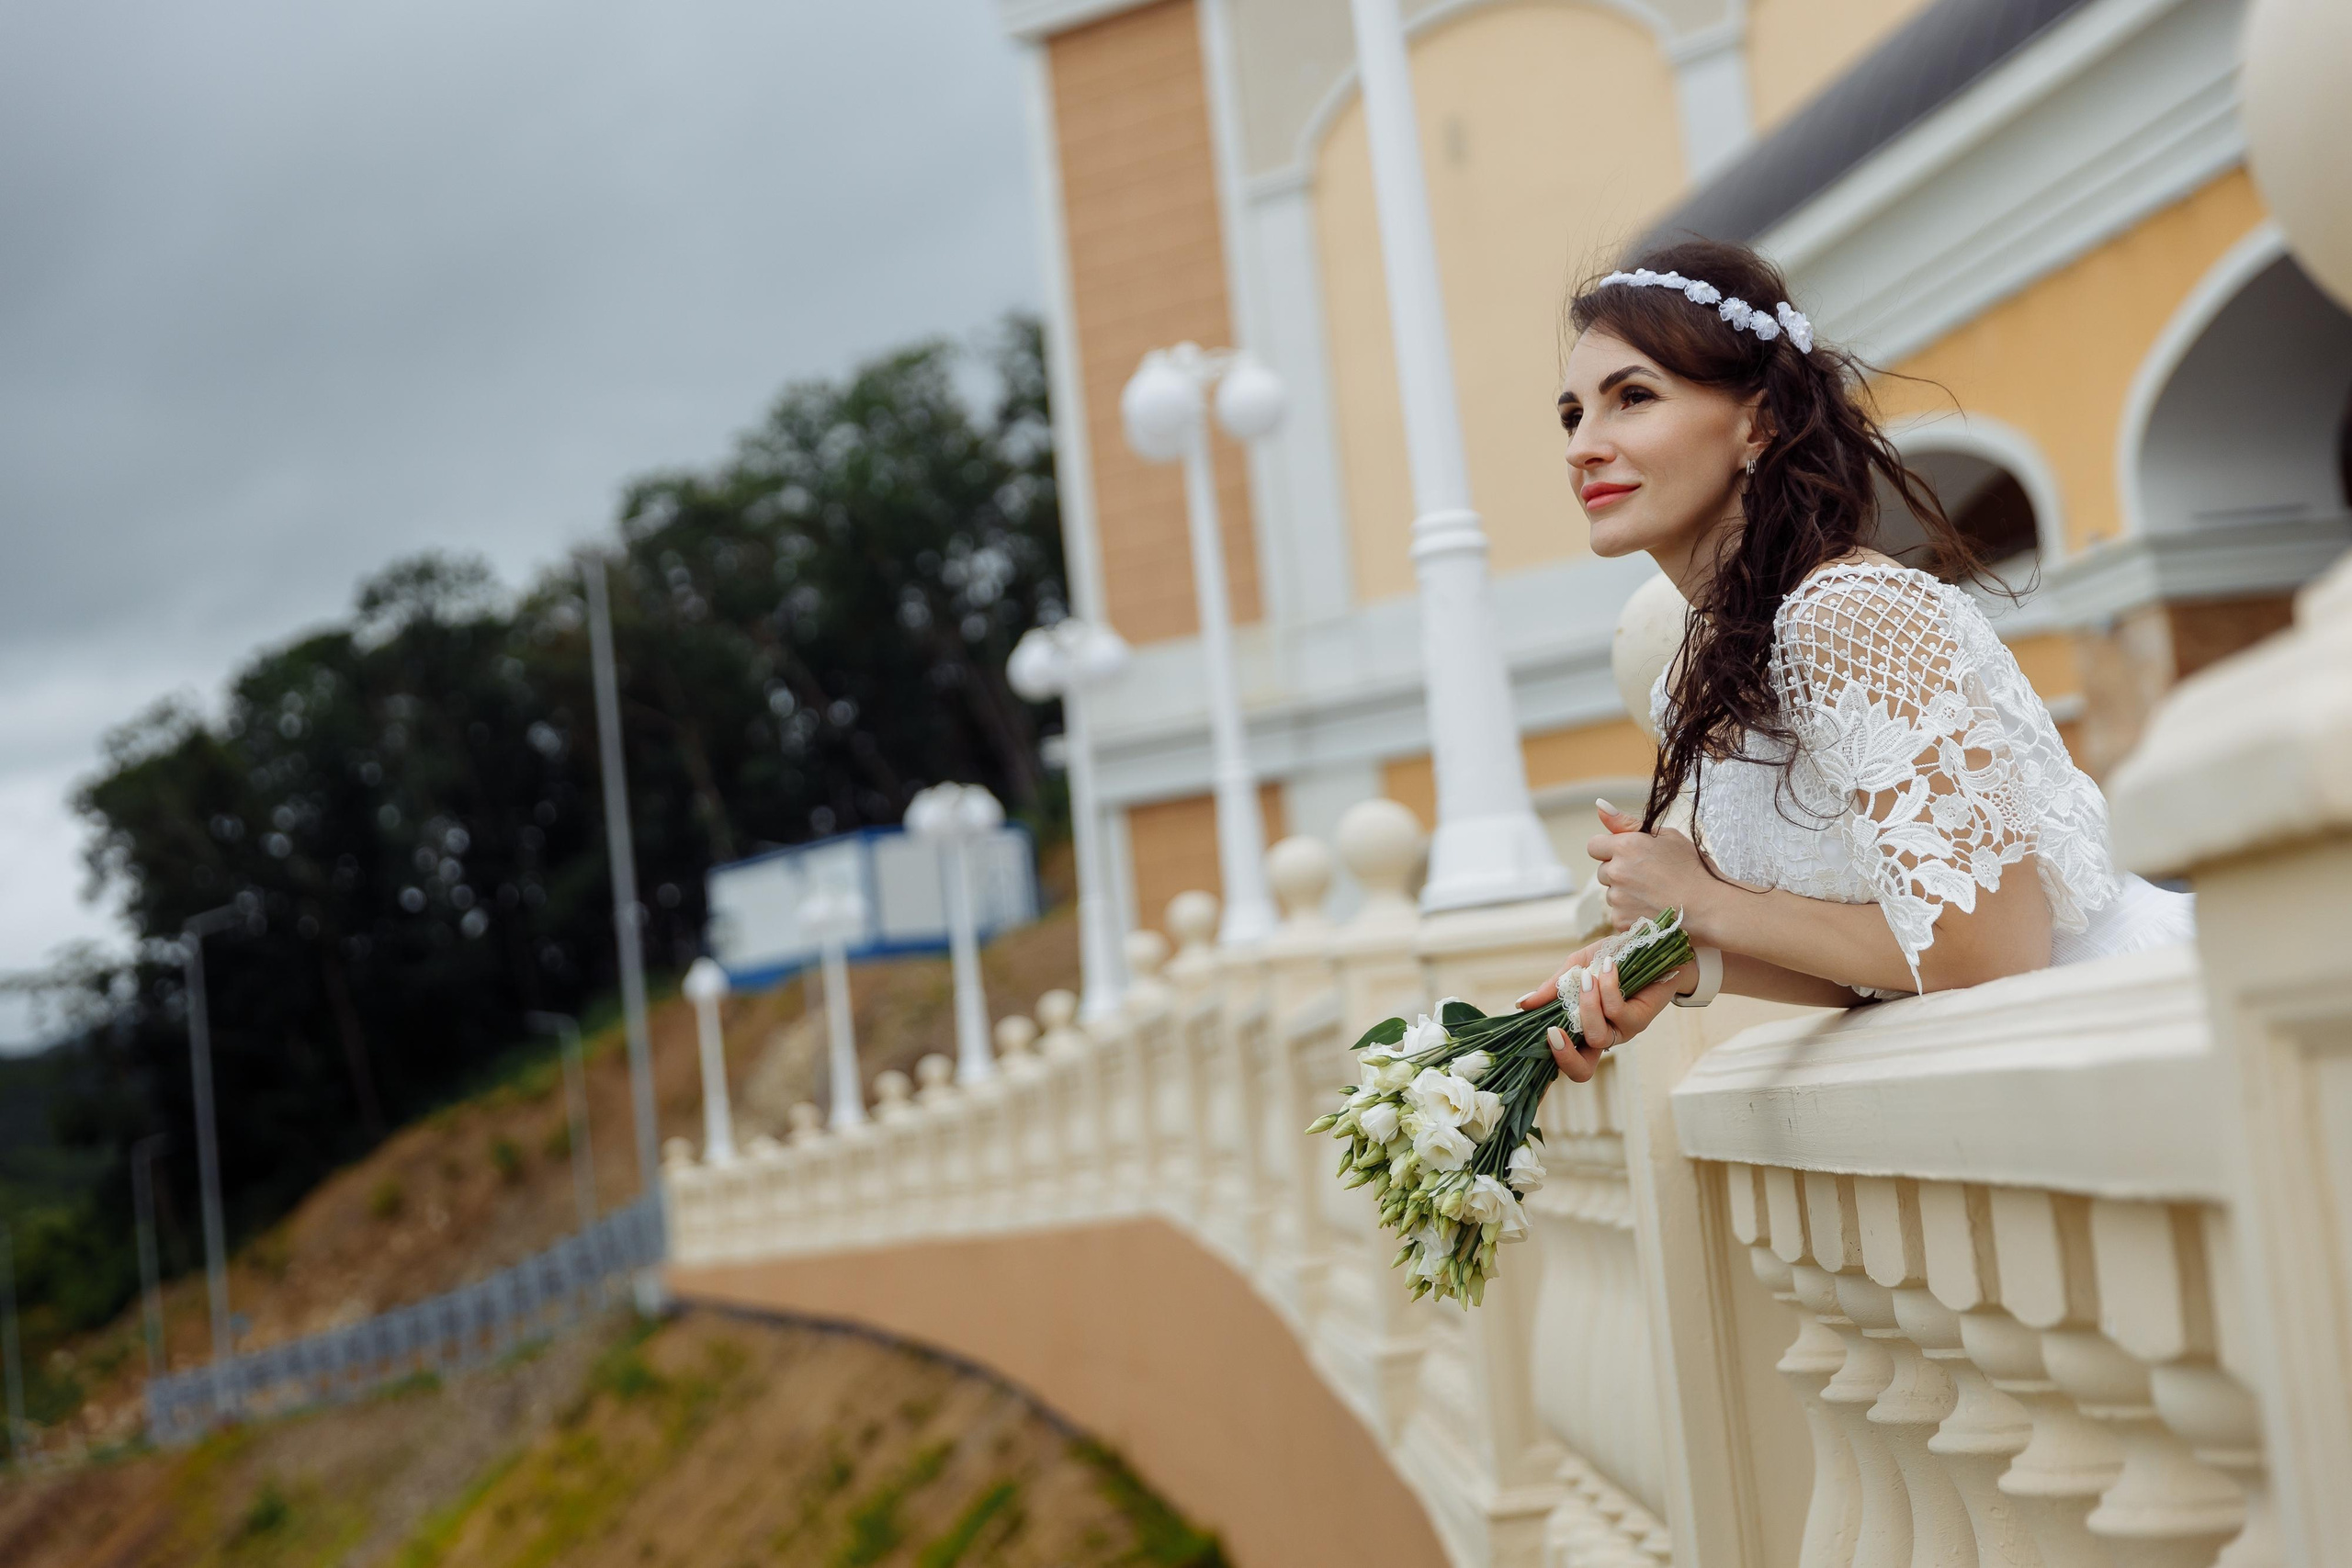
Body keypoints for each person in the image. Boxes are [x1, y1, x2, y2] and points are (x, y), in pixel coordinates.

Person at [1519, 239, 2193, 1083]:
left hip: (2133, 1035)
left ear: (1757, 422)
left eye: (1633, 398)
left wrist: (1704, 900)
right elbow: (1894, 951)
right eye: (1572, 415)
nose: (1583, 446)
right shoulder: (1724, 664)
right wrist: (1683, 961)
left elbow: (1996, 948)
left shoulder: (1847, 614)